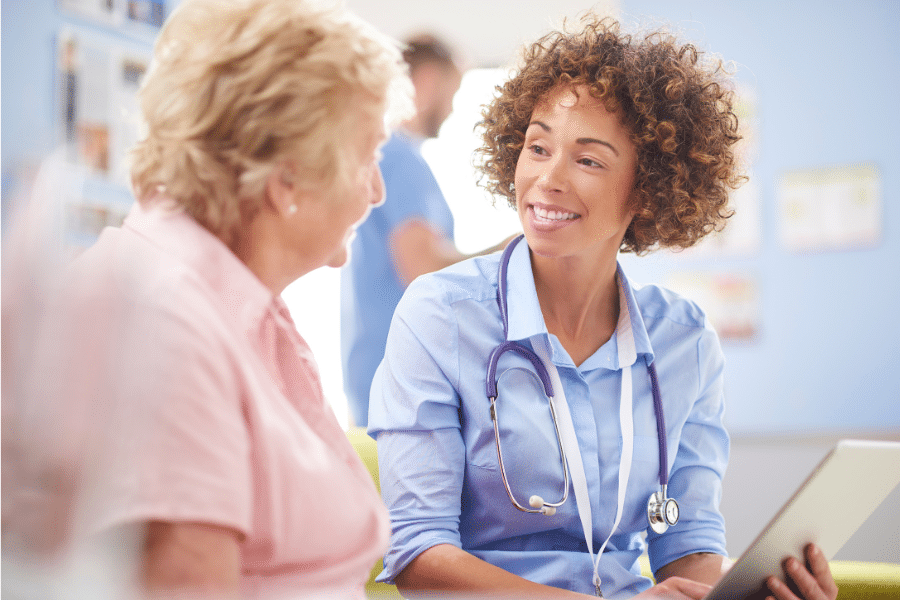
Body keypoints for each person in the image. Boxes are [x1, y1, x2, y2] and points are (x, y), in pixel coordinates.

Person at [368, 15, 838, 600]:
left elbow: (687, 543)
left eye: (588, 160)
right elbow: (417, 556)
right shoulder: (441, 314)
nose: (547, 178)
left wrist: (744, 592)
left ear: (648, 189)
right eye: (537, 148)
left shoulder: (683, 339)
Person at [1, 0, 410, 598]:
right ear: (286, 178)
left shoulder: (239, 303)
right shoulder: (168, 318)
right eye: (367, 155)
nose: (376, 191)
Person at [341, 33, 514, 427]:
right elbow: (422, 267)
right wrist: (505, 253)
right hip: (399, 392)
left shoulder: (388, 155)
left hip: (379, 383)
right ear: (430, 81)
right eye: (452, 91)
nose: (453, 107)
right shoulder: (400, 158)